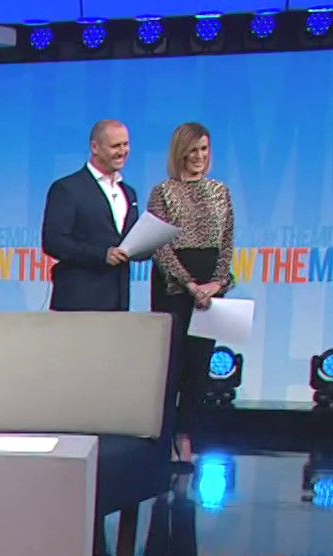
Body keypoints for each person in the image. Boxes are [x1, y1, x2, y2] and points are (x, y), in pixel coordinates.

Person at [148, 122, 234, 463]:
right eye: (193, 150)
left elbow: (227, 243)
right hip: (173, 288)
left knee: (199, 366)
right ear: (180, 153)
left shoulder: (221, 192)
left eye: (204, 149)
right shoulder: (163, 193)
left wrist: (217, 283)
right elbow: (159, 246)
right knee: (172, 364)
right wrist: (189, 283)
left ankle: (185, 435)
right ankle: (165, 436)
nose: (199, 156)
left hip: (209, 290)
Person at [42, 119, 144, 312]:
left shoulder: (129, 193)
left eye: (126, 144)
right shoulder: (67, 189)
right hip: (79, 300)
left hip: (118, 300)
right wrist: (102, 254)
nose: (122, 151)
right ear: (95, 147)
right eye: (115, 146)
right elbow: (53, 242)